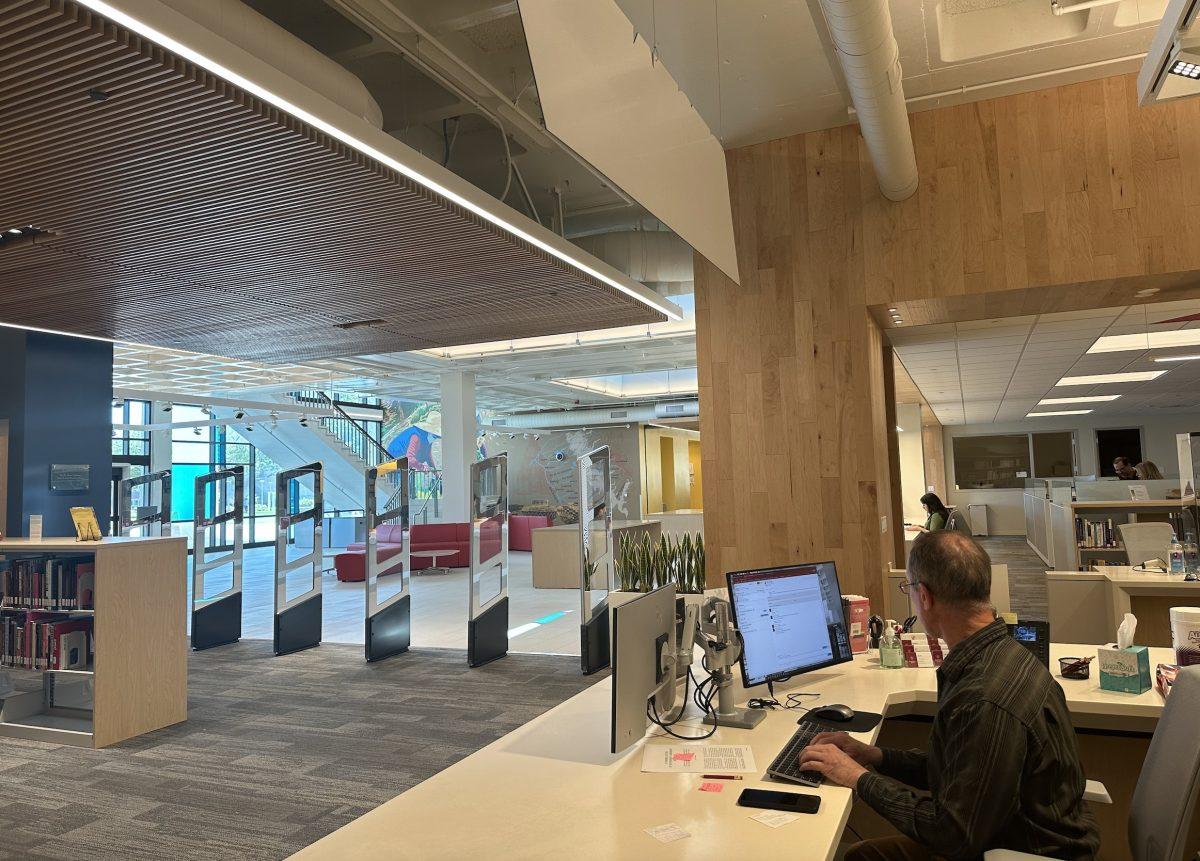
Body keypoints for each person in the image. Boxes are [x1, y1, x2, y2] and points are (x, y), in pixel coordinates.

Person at [798, 531, 1098, 860]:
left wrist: (856, 776)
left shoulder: (984, 698)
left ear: (924, 596)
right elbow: (963, 769)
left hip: (1020, 848)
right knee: (864, 855)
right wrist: (874, 756)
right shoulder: (1003, 654)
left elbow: (953, 834)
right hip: (1012, 830)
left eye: (909, 589)